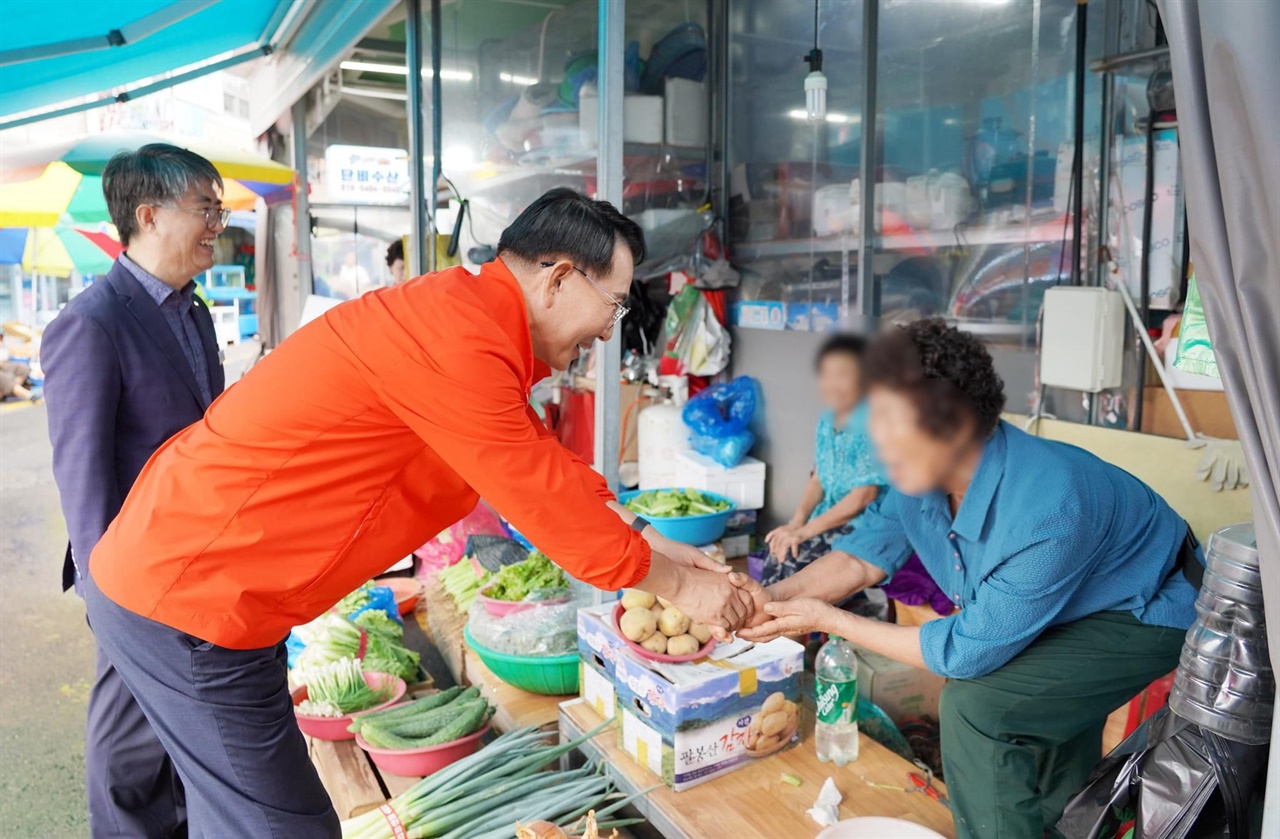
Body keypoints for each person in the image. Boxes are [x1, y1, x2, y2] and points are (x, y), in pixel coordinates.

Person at [83, 187, 756, 837]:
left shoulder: (468, 322)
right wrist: (681, 585)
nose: (609, 333)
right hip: (194, 591)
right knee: (280, 826)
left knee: (253, 816)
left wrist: (653, 544)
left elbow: (541, 465)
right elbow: (541, 493)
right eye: (612, 307)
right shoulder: (461, 336)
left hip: (212, 587)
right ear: (557, 278)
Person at [739, 319, 1198, 839]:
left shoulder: (1050, 505)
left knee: (980, 706)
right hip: (1078, 596)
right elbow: (859, 559)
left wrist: (828, 620)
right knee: (1038, 715)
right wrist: (771, 599)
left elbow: (963, 653)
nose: (878, 446)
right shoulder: (917, 478)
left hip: (1150, 607)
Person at [43, 143, 228, 837]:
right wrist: (104, 591)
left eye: (219, 207)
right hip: (133, 573)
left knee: (179, 731)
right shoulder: (92, 322)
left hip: (194, 567)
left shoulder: (193, 311)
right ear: (148, 216)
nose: (217, 222)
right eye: (204, 208)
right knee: (128, 746)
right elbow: (81, 471)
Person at [761, 334, 886, 586]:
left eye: (843, 374)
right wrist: (795, 524)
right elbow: (819, 478)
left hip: (865, 524)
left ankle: (793, 623)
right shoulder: (828, 419)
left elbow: (864, 496)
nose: (832, 383)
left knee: (795, 561)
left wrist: (805, 532)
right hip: (828, 517)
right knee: (779, 546)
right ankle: (769, 622)